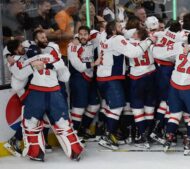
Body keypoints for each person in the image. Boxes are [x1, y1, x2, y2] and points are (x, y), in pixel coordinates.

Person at [21, 30, 83, 161]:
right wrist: (50, 65)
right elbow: (65, 76)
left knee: (31, 123)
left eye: (45, 36)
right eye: (41, 37)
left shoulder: (29, 58)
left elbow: (18, 78)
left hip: (37, 93)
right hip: (55, 92)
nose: (44, 38)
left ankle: (36, 153)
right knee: (63, 123)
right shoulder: (54, 57)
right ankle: (75, 151)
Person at [151, 31, 190, 155]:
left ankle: (169, 138)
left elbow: (159, 53)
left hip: (174, 84)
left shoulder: (179, 46)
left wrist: (152, 45)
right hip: (187, 86)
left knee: (175, 113)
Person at [96, 21, 157, 150]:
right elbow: (133, 53)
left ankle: (107, 132)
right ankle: (107, 135)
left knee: (110, 106)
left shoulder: (102, 36)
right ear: (113, 31)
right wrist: (148, 41)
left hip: (102, 76)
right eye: (119, 27)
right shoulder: (118, 39)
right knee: (118, 106)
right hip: (111, 77)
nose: (122, 29)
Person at [68, 26, 101, 141]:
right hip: (78, 78)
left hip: (90, 78)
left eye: (85, 34)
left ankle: (83, 128)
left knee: (95, 105)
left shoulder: (92, 42)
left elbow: (98, 33)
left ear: (88, 35)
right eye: (80, 34)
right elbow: (79, 67)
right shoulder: (72, 46)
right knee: (78, 108)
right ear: (77, 34)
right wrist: (94, 63)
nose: (82, 36)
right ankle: (74, 134)